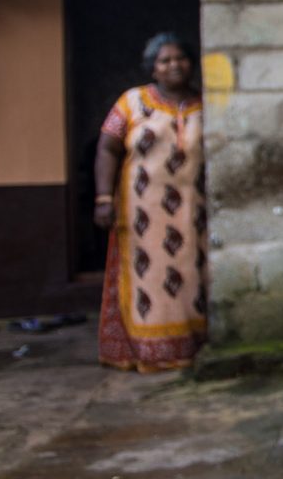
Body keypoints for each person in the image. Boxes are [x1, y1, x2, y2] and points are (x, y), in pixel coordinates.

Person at [94, 32, 208, 372]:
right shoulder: (132, 102)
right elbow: (107, 148)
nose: (174, 65)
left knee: (190, 277)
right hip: (142, 212)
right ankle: (149, 351)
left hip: (192, 211)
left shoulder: (205, 105)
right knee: (149, 278)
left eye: (180, 58)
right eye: (165, 60)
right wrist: (103, 198)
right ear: (153, 68)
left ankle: (188, 348)